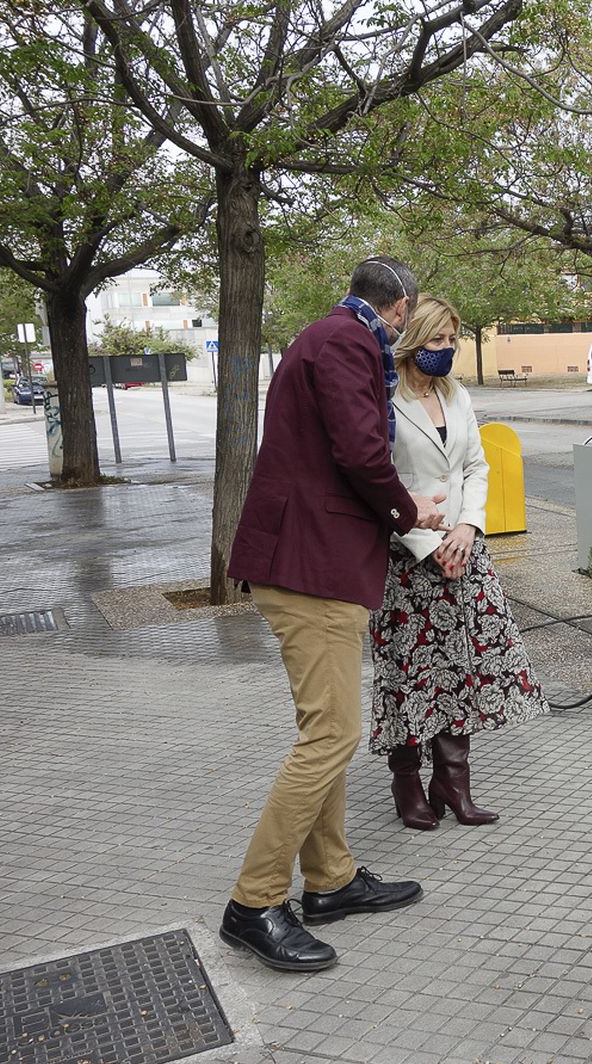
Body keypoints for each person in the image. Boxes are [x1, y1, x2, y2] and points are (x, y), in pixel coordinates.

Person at [221, 256, 448, 973]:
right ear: (400, 307)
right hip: (311, 565)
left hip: (309, 561)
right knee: (333, 735)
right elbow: (358, 448)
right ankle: (254, 902)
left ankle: (332, 878)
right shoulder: (351, 342)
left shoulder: (322, 335)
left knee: (326, 727)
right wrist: (411, 510)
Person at [371, 295, 549, 830]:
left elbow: (475, 465)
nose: (447, 350)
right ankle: (407, 780)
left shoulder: (457, 395)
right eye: (437, 341)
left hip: (465, 550)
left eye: (451, 340)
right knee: (410, 672)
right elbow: (377, 476)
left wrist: (469, 527)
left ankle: (452, 781)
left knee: (463, 667)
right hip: (406, 557)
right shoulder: (382, 397)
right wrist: (430, 542)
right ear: (411, 340)